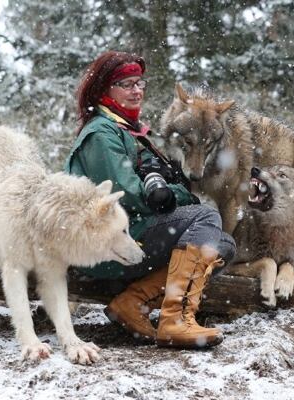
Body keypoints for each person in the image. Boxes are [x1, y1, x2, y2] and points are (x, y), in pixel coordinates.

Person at [64, 51, 236, 348]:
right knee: (206, 217)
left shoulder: (127, 129)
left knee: (223, 244)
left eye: (139, 83)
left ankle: (134, 303)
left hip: (132, 235)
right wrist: (178, 193)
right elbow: (127, 194)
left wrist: (168, 183)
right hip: (106, 245)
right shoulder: (101, 133)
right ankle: (175, 319)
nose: (136, 91)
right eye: (126, 84)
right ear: (105, 89)